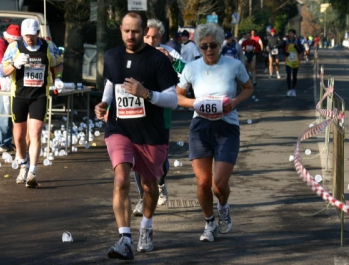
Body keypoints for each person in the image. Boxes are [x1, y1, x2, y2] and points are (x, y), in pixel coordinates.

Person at [94, 11, 178, 260]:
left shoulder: (158, 60)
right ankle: (125, 239)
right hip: (120, 129)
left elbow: (173, 100)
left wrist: (147, 94)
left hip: (151, 133)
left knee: (148, 186)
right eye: (126, 31)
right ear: (120, 29)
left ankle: (146, 228)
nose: (131, 36)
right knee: (121, 179)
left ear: (143, 31)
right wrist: (104, 104)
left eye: (136, 31)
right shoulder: (112, 56)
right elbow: (112, 83)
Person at [176, 22, 253, 242]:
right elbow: (178, 95)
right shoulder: (192, 68)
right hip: (200, 127)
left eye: (213, 45)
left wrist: (236, 101)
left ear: (220, 45)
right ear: (198, 47)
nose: (209, 50)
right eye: (204, 46)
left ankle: (223, 206)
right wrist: (195, 103)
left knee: (218, 184)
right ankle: (209, 223)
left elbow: (248, 88)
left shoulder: (234, 65)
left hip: (227, 127)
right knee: (202, 182)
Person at [0, 18, 64, 188]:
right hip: (19, 96)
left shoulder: (48, 46)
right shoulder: (14, 47)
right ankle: (23, 164)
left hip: (39, 96)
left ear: (38, 33)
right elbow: (2, 71)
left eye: (32, 35)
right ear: (22, 34)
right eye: (26, 35)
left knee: (35, 133)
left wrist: (57, 79)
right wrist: (14, 64)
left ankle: (32, 172)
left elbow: (58, 63)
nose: (29, 38)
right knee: (19, 136)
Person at [131, 18, 185, 216]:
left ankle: (160, 183)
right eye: (147, 36)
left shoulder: (169, 53)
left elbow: (188, 73)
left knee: (159, 160)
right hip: (137, 111)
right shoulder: (133, 52)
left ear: (160, 38)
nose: (150, 40)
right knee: (137, 156)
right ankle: (142, 198)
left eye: (154, 37)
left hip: (162, 112)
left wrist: (173, 62)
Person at [0, 24, 21, 152]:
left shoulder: (5, 46)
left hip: (6, 83)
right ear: (10, 38)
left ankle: (6, 141)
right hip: (0, 84)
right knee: (1, 114)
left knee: (8, 114)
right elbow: (2, 67)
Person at [281, 28, 304, 97]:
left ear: (294, 34)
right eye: (289, 33)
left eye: (292, 33)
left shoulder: (297, 41)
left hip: (296, 61)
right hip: (288, 61)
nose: (290, 34)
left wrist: (297, 48)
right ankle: (289, 90)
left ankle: (293, 89)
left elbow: (301, 50)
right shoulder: (285, 42)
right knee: (288, 74)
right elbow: (282, 49)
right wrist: (285, 53)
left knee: (294, 76)